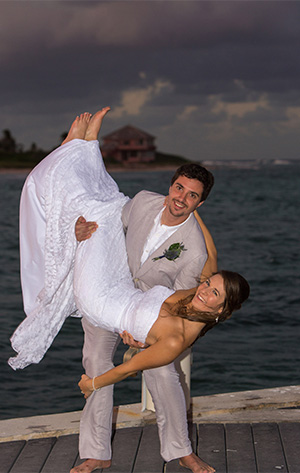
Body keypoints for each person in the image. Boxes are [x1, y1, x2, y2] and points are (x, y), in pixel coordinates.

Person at [8, 111, 249, 473]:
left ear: (201, 203)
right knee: (96, 362)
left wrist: (140, 340)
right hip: (110, 286)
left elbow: (186, 308)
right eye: (179, 188)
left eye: (192, 195)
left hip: (147, 313)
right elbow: (107, 220)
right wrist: (81, 232)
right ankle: (95, 453)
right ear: (171, 186)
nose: (181, 198)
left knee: (165, 374)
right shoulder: (144, 201)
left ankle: (181, 449)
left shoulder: (193, 252)